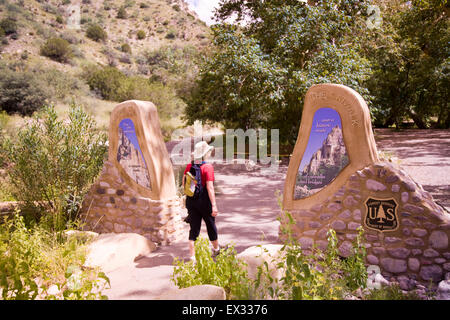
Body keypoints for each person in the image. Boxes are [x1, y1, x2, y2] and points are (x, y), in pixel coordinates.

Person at [182, 141, 220, 262]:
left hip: (191, 201)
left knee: (194, 230)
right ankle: (216, 251)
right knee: (210, 226)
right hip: (204, 202)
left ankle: (192, 259)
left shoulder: (189, 166)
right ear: (205, 154)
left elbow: (184, 184)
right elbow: (210, 187)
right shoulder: (207, 167)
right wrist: (214, 205)